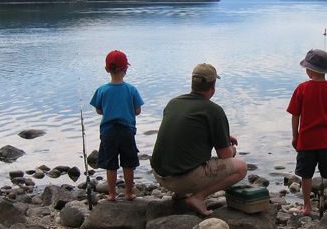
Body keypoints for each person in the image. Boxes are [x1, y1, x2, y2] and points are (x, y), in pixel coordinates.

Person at [150, 63, 248, 216]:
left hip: (159, 175)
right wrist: (232, 150)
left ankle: (179, 193)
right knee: (241, 167)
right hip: (184, 180)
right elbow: (225, 155)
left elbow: (182, 132)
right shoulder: (214, 110)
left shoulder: (173, 103)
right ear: (213, 86)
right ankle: (198, 197)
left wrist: (222, 135)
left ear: (192, 83)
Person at [287, 49, 327, 217]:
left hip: (306, 141)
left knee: (306, 175)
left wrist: (295, 136)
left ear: (309, 70)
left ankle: (307, 206)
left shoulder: (302, 89)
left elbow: (295, 115)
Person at [90, 50, 144, 201]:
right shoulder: (131, 89)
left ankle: (112, 194)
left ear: (107, 69)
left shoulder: (102, 90)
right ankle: (128, 192)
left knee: (111, 165)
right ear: (125, 69)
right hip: (127, 131)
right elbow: (137, 111)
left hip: (108, 132)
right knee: (128, 164)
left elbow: (99, 110)